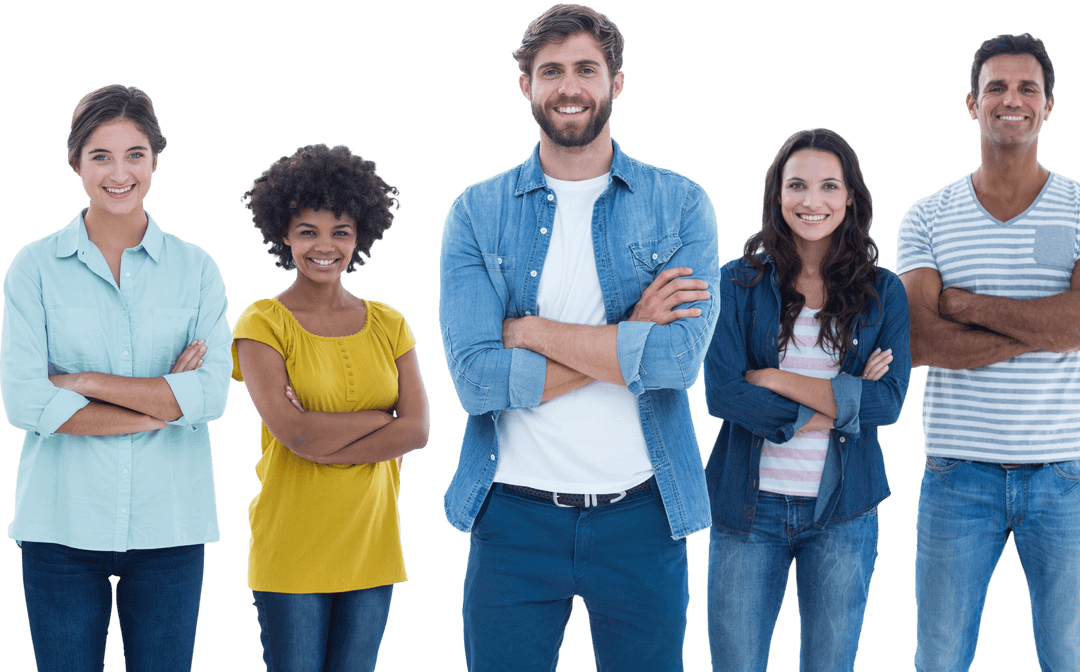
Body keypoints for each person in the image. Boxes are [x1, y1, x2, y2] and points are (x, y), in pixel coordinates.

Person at [438, 4, 720, 670]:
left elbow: (677, 363)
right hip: (511, 518)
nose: (569, 86)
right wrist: (629, 340)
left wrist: (531, 333)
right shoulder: (477, 212)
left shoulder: (680, 204)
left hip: (643, 516)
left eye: (586, 69)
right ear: (526, 86)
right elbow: (477, 382)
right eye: (551, 71)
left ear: (616, 82)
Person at [0, 85, 231, 671]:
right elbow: (26, 403)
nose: (118, 172)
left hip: (169, 529)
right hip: (61, 528)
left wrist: (80, 381)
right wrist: (159, 406)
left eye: (134, 154)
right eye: (100, 155)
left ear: (155, 159)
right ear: (75, 162)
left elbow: (209, 395)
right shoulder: (34, 267)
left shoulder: (196, 269)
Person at [897, 33, 1080, 671]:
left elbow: (1078, 326)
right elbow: (919, 340)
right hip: (957, 475)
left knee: (1068, 655)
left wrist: (969, 306)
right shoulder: (926, 216)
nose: (1012, 99)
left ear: (1050, 105)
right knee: (940, 658)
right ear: (971, 103)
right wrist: (1046, 325)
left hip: (1065, 474)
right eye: (996, 87)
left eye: (1027, 87)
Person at [704, 128, 910, 671]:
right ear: (777, 195)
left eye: (827, 187)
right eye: (797, 185)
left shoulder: (884, 291)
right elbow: (724, 393)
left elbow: (887, 403)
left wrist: (771, 379)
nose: (811, 201)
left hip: (843, 512)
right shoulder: (737, 283)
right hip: (747, 510)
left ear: (849, 198)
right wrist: (843, 405)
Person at [233, 143, 429, 672]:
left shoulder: (390, 323)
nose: (325, 246)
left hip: (372, 545)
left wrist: (325, 436)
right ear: (284, 235)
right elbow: (295, 436)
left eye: (340, 232)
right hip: (291, 548)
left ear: (360, 235)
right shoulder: (262, 324)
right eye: (308, 232)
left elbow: (417, 430)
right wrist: (377, 420)